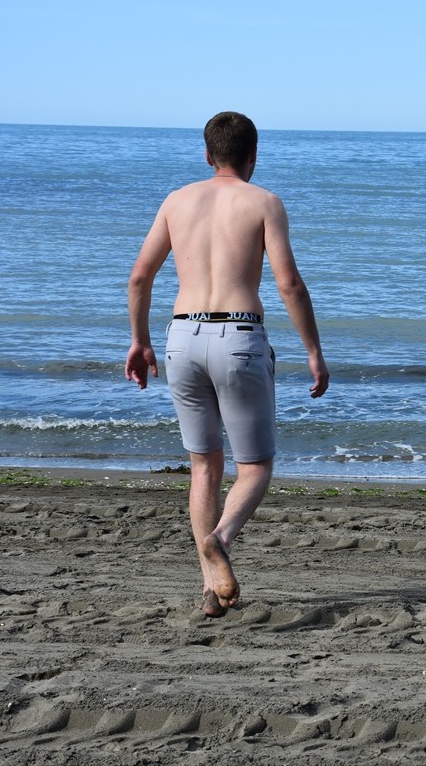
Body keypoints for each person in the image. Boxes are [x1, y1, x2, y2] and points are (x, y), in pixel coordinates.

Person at [124, 111, 329, 619]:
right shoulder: (264, 203)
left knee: (203, 465)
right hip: (238, 336)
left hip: (182, 337)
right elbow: (289, 285)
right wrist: (313, 351)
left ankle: (210, 590)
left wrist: (140, 342)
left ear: (206, 154)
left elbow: (139, 278)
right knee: (255, 466)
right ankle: (221, 539)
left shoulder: (176, 201)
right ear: (253, 156)